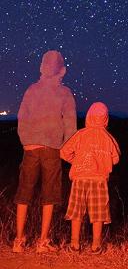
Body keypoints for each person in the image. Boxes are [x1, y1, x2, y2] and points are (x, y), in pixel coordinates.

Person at [13, 50, 77, 254]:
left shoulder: (31, 89)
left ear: (42, 67)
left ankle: (19, 240)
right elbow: (70, 125)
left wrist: (26, 141)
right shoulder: (65, 93)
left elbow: (22, 117)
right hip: (51, 149)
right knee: (49, 195)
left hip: (30, 148)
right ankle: (43, 241)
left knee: (24, 193)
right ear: (62, 71)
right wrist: (67, 149)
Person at [60, 101, 120, 254]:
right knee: (98, 213)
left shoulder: (81, 134)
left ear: (88, 116)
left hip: (80, 178)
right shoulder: (108, 138)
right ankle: (96, 245)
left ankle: (75, 244)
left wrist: (79, 161)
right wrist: (103, 162)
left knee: (76, 211)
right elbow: (116, 158)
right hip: (99, 180)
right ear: (106, 119)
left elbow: (64, 152)